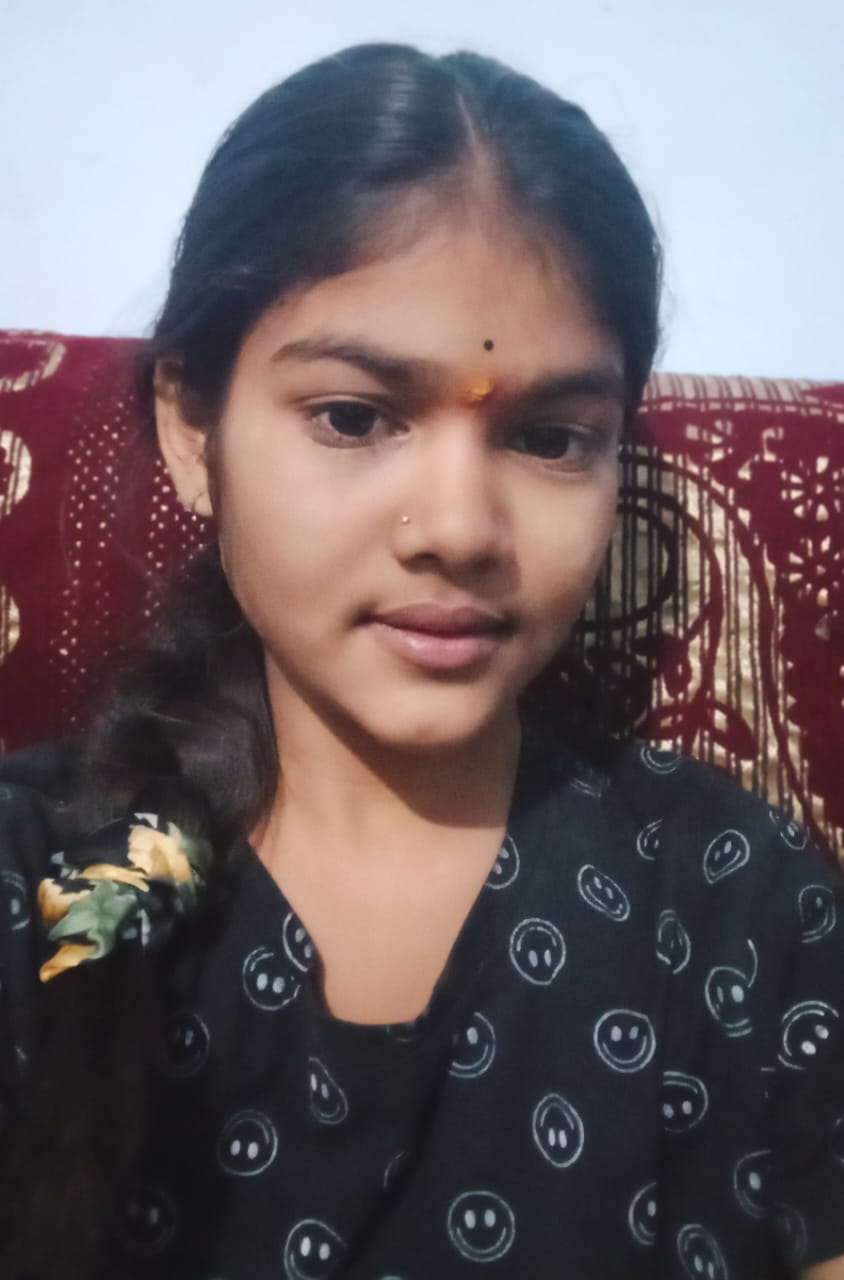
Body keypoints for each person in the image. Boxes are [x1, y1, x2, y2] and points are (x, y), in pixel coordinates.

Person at [0, 40, 842, 1280]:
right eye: (353, 416)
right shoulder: (65, 879)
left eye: (550, 438)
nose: (456, 528)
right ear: (190, 427)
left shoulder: (731, 907)